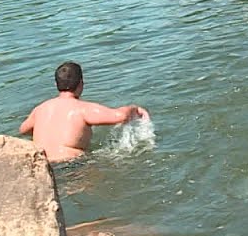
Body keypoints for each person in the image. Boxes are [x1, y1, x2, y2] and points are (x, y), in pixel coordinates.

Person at [18, 62, 149, 163]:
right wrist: (135, 109)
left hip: (45, 164)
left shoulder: (41, 108)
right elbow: (121, 116)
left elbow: (23, 130)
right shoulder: (82, 109)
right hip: (72, 165)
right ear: (81, 83)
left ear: (56, 84)